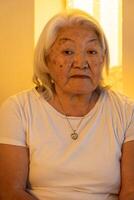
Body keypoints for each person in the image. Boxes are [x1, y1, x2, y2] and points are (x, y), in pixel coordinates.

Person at [0, 8, 134, 200]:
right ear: (46, 59)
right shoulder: (18, 109)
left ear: (102, 59)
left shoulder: (127, 111)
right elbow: (10, 191)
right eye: (68, 51)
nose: (81, 62)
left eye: (92, 51)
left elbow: (131, 191)